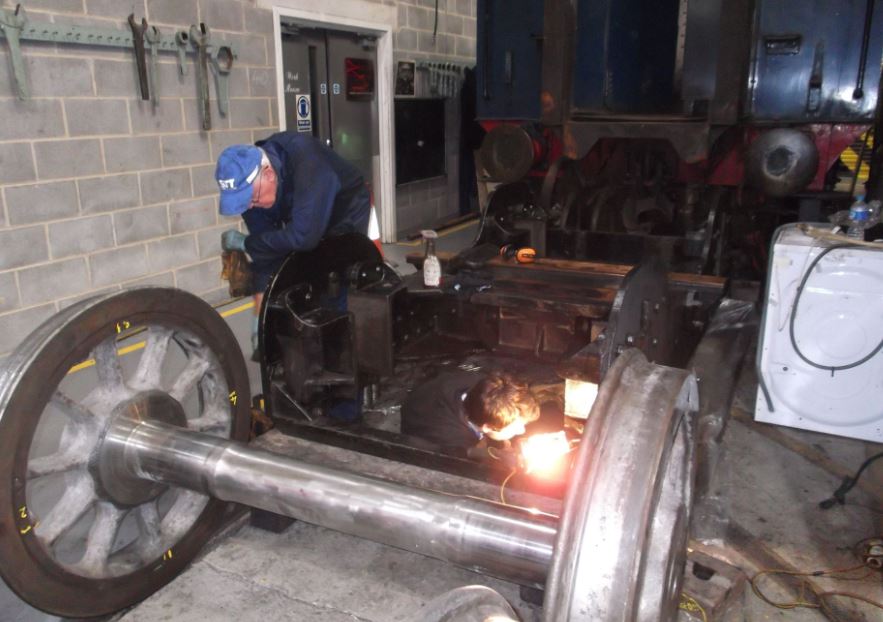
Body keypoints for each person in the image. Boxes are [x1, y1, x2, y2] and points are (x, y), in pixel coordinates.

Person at [214, 132, 371, 355]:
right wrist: (259, 313)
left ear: (268, 174)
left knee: (335, 278)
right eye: (243, 203)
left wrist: (247, 244)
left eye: (251, 198)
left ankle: (342, 347)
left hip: (345, 209)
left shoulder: (309, 163)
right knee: (300, 271)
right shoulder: (252, 197)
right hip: (304, 212)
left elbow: (303, 237)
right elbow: (265, 251)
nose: (249, 207)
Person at [400, 370, 542, 451]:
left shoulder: (487, 386)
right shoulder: (453, 440)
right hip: (423, 431)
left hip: (431, 393)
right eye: (515, 428)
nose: (522, 431)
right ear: (487, 427)